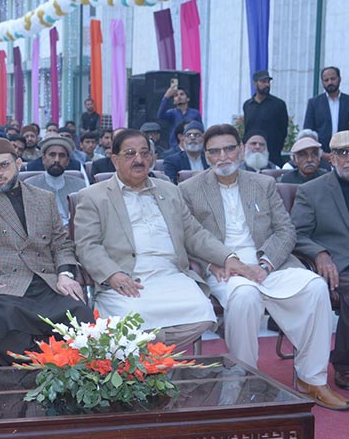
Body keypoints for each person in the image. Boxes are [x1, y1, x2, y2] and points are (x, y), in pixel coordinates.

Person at [180, 124, 349, 410]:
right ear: (207, 156)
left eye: (229, 149)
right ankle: (243, 378)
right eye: (215, 151)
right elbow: (187, 236)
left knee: (314, 287)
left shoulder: (263, 184)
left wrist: (266, 264)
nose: (223, 156)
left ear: (241, 150)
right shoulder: (189, 189)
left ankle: (312, 379)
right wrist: (215, 261)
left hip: (270, 265)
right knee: (245, 296)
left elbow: (286, 230)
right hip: (224, 269)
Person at [74, 129, 248, 347]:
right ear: (115, 160)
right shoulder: (93, 196)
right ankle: (158, 358)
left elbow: (194, 233)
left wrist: (227, 257)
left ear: (152, 158)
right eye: (130, 154)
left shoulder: (170, 191)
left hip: (171, 274)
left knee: (202, 313)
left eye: (144, 153)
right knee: (131, 318)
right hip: (127, 278)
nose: (139, 159)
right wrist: (113, 274)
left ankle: (150, 354)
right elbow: (87, 245)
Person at [0, 138, 94, 366]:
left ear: (18, 164)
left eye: (4, 166)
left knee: (80, 314)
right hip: (3, 285)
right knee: (5, 320)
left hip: (46, 282)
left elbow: (61, 243)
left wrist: (65, 274)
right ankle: (38, 371)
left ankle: (66, 373)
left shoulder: (43, 198)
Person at [291, 130, 349, 391]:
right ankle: (346, 364)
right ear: (331, 158)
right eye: (343, 152)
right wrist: (320, 254)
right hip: (339, 265)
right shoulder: (311, 191)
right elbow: (296, 234)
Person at [24, 136, 86, 227]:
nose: (57, 160)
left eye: (62, 156)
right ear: (43, 159)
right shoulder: (29, 185)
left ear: (68, 161)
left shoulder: (80, 185)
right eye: (52, 155)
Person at [303, 67, 349, 152]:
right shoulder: (314, 103)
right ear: (322, 82)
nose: (330, 82)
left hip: (346, 152)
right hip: (321, 153)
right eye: (326, 80)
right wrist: (321, 153)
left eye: (333, 79)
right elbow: (308, 131)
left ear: (339, 79)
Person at [242, 70, 290, 167]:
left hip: (272, 155)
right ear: (255, 84)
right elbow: (247, 130)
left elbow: (283, 130)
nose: (267, 85)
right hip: (252, 155)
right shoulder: (247, 105)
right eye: (263, 82)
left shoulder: (279, 104)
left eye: (268, 82)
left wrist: (276, 148)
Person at [157, 86, 202, 150]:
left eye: (182, 94)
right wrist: (166, 97)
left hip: (192, 145)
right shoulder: (172, 113)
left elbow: (200, 130)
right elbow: (160, 115)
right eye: (176, 95)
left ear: (188, 99)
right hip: (175, 147)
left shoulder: (195, 113)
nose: (179, 97)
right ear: (174, 101)